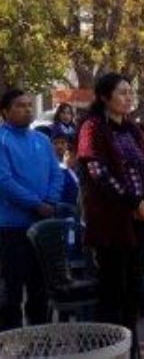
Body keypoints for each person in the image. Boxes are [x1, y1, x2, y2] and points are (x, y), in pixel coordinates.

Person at [76, 74, 144, 354]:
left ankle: (130, 351)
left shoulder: (131, 128)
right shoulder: (92, 127)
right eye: (122, 92)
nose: (129, 97)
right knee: (113, 292)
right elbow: (99, 174)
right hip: (111, 222)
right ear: (104, 97)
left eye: (131, 92)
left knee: (133, 290)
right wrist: (134, 203)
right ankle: (109, 352)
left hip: (139, 221)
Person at [0, 89, 63, 330]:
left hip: (42, 227)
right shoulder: (2, 140)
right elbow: (5, 182)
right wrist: (36, 204)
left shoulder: (42, 140)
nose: (27, 109)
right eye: (20, 105)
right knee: (11, 292)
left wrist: (51, 201)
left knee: (40, 290)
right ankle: (10, 342)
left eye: (29, 105)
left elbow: (56, 174)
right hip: (12, 229)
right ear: (5, 112)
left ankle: (40, 341)